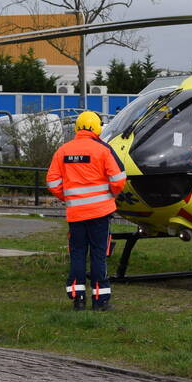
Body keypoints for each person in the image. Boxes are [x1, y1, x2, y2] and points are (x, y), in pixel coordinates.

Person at [46, 111, 127, 312]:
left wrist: (69, 197)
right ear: (98, 127)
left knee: (78, 255)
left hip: (76, 214)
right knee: (99, 255)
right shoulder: (103, 150)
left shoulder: (63, 151)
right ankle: (100, 302)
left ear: (77, 127)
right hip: (100, 213)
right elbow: (118, 180)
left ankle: (78, 299)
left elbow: (52, 182)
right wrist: (110, 195)